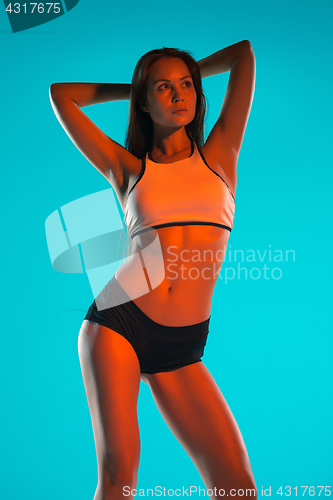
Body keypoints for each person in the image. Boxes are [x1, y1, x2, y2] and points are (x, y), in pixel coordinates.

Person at [50, 40, 256, 500]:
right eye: (164, 88)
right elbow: (60, 94)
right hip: (120, 322)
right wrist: (138, 87)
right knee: (121, 471)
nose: (179, 95)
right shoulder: (127, 169)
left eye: (186, 86)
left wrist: (170, 81)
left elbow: (243, 54)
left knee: (237, 486)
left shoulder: (220, 155)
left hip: (183, 343)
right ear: (144, 102)